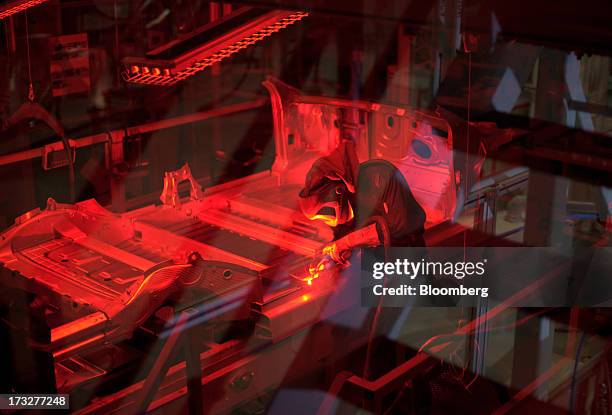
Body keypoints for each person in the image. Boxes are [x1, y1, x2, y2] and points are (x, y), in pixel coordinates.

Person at [299, 139, 427, 265]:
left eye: (324, 213)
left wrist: (346, 243)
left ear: (337, 191)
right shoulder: (347, 204)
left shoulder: (381, 176)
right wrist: (329, 256)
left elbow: (400, 226)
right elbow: (342, 240)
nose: (327, 220)